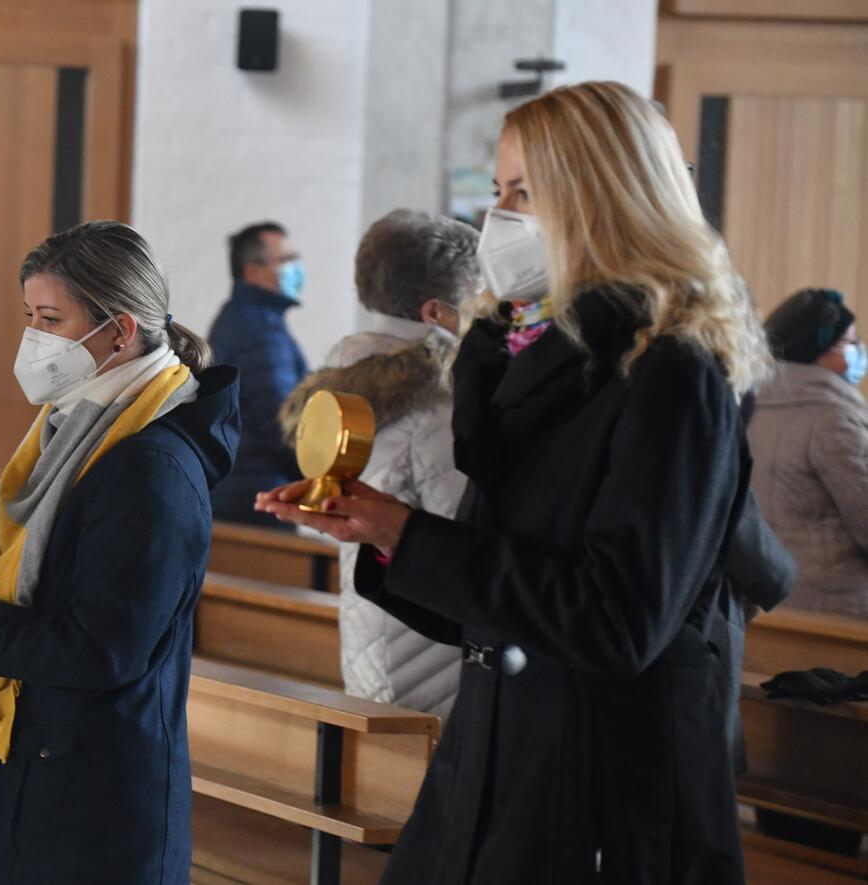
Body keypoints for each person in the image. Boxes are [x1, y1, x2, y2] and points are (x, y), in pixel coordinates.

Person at [258, 81, 772, 883]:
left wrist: (410, 533)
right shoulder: (521, 370)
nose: (498, 217)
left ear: (602, 197)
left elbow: (619, 619)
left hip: (606, 785)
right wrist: (381, 533)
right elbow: (497, 586)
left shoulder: (673, 372)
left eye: (524, 193)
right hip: (502, 749)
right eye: (498, 191)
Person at [0, 221, 239, 884]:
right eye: (29, 317)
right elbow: (43, 567)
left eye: (49, 318)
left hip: (89, 810)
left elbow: (101, 648)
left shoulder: (150, 467)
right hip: (32, 776)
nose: (32, 338)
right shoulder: (73, 425)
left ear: (119, 332)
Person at [278, 209, 474, 718]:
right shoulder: (437, 399)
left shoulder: (344, 376)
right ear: (436, 312)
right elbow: (462, 527)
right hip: (430, 642)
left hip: (374, 625)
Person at [749, 287, 868, 619]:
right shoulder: (833, 418)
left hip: (765, 603)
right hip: (836, 610)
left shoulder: (750, 405)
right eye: (850, 344)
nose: (860, 352)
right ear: (818, 351)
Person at [208, 222, 306, 526]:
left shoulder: (238, 317)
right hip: (259, 499)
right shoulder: (259, 331)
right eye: (286, 260)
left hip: (236, 491)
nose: (296, 268)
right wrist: (316, 475)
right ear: (254, 271)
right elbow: (281, 421)